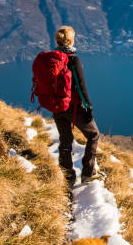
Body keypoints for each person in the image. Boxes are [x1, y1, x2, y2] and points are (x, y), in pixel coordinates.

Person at [53, 25, 102, 185]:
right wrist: (88, 106)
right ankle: (88, 173)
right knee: (93, 135)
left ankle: (68, 176)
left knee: (65, 141)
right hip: (74, 108)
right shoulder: (73, 60)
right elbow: (81, 86)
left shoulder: (51, 60)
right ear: (71, 40)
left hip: (57, 107)